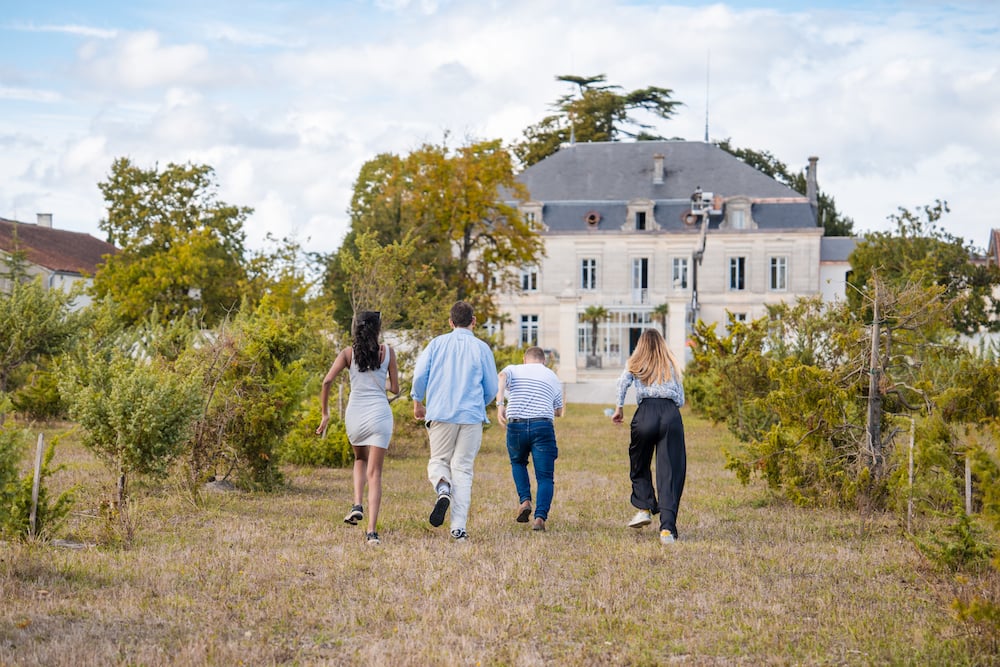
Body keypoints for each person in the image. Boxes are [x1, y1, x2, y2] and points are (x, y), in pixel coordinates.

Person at [411, 301, 498, 542]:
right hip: (471, 416)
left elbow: (419, 376)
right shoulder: (482, 348)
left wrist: (418, 402)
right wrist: (479, 402)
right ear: (474, 321)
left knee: (438, 460)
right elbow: (492, 387)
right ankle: (458, 528)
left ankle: (442, 489)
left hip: (440, 413)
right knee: (463, 468)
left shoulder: (437, 344)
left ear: (450, 322)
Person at [317, 311, 399, 546]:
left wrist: (325, 414)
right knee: (375, 474)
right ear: (377, 330)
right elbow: (394, 388)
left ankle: (356, 504)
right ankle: (372, 532)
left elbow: (326, 381)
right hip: (380, 415)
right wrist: (381, 378)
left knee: (359, 460)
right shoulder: (388, 352)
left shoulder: (347, 354)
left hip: (355, 415)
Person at [610, 328, 686, 545]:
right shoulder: (670, 364)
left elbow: (622, 383)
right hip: (670, 414)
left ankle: (644, 508)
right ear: (662, 344)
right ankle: (667, 530)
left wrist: (619, 409)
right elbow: (680, 398)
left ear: (640, 345)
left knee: (639, 461)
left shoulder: (635, 362)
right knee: (670, 470)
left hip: (645, 414)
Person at [496, 346, 564, 532]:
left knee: (518, 463)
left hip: (515, 425)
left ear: (525, 359)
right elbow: (558, 411)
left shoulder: (514, 369)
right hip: (542, 426)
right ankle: (540, 518)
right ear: (544, 361)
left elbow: (501, 377)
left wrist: (500, 404)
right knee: (545, 477)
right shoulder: (552, 376)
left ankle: (525, 500)